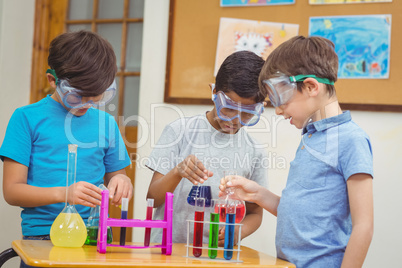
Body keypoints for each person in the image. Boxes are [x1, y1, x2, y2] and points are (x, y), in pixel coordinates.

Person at [220, 36, 374, 267]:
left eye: (281, 100)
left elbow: (364, 225)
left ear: (311, 86)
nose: (279, 111)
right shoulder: (310, 137)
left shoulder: (351, 139)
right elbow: (300, 212)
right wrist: (257, 194)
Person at [0, 30, 133, 267]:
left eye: (96, 97)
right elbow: (12, 191)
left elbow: (118, 176)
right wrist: (65, 194)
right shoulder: (26, 119)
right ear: (52, 80)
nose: (87, 104)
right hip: (43, 238)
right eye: (77, 96)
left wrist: (122, 183)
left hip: (95, 237)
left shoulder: (107, 124)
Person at [146, 51, 268, 245]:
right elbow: (152, 198)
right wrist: (178, 172)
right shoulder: (179, 131)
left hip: (215, 255)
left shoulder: (255, 151)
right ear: (214, 92)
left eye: (246, 114)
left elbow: (255, 213)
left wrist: (238, 233)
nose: (234, 120)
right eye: (228, 107)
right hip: (168, 249)